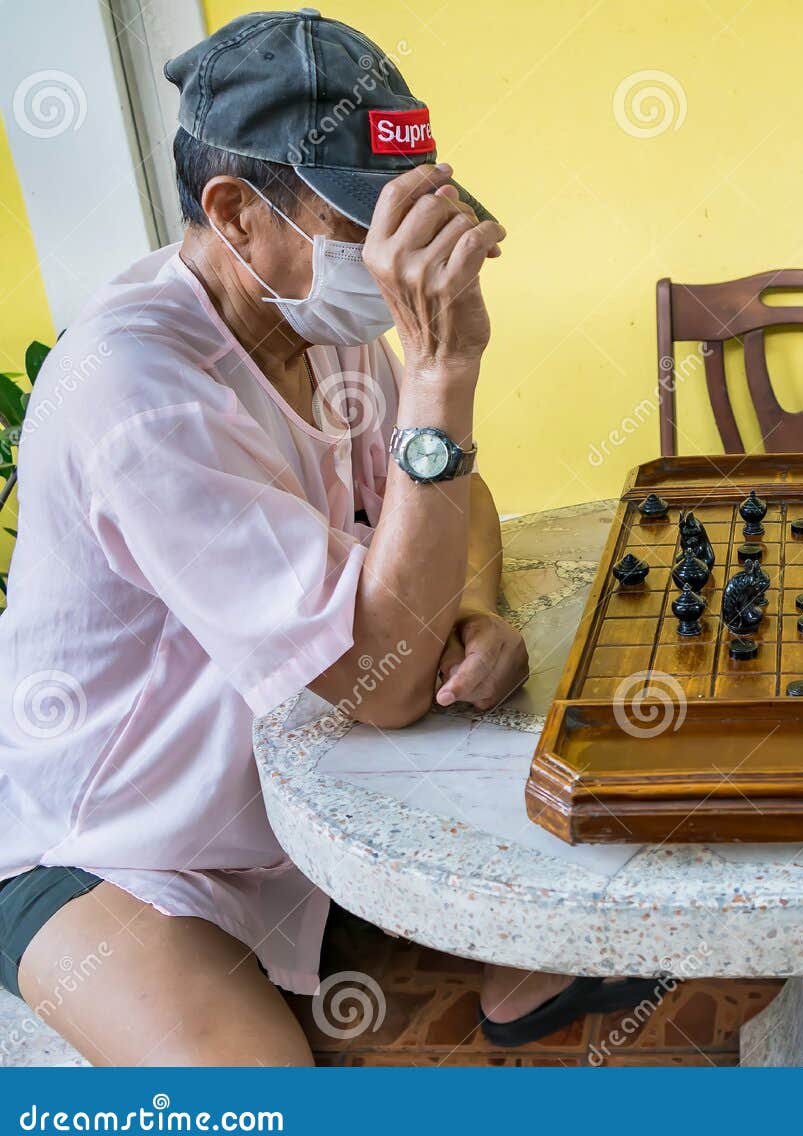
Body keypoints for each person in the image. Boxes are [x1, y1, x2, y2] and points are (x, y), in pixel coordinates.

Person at [0, 10, 655, 1065]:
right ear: (236, 213)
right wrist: (445, 372)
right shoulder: (136, 392)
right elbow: (380, 682)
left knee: (583, 842)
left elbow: (454, 499)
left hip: (292, 790)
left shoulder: (318, 326)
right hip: (114, 840)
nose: (390, 269)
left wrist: (478, 602)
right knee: (264, 1103)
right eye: (359, 226)